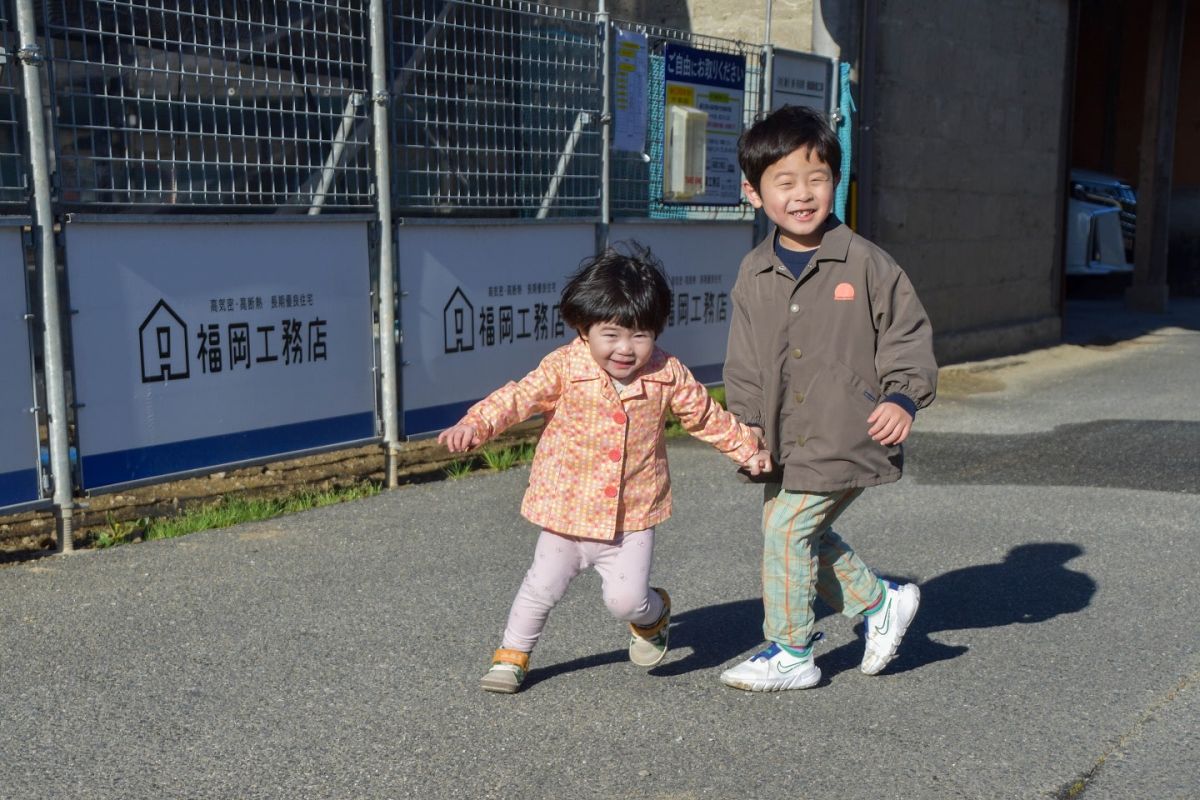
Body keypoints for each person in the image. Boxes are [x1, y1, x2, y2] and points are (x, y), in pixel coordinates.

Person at [439, 245, 772, 694]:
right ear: (584, 327)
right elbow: (518, 397)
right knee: (542, 587)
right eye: (611, 334)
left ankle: (653, 616)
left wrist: (746, 449)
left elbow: (705, 416)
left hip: (631, 515)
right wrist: (475, 424)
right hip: (566, 512)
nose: (625, 349)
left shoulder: (666, 373)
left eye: (640, 335)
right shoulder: (565, 366)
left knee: (626, 600)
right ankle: (511, 656)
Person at [718, 105, 938, 692]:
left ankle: (791, 650)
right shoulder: (753, 272)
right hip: (783, 436)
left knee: (787, 531)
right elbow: (741, 361)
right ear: (752, 190)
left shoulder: (867, 263)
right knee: (789, 531)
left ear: (835, 181)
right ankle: (878, 605)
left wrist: (902, 397)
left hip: (848, 427)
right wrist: (743, 429)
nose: (802, 194)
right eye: (784, 182)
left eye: (816, 178)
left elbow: (907, 335)